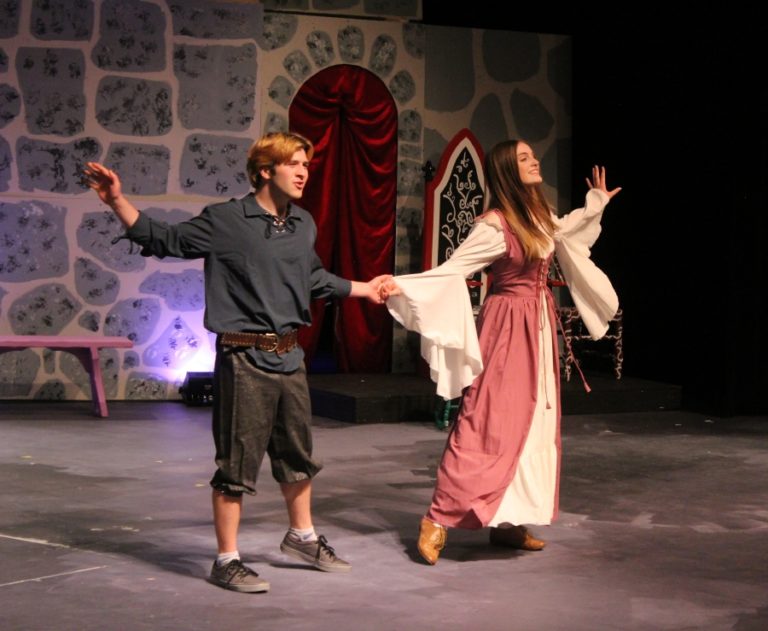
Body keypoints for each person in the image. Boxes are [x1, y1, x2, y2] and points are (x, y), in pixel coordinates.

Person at [84, 132, 390, 592]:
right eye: (294, 163)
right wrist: (117, 200)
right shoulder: (227, 220)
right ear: (266, 171)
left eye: (307, 163)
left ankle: (301, 537)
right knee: (237, 462)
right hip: (244, 357)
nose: (304, 171)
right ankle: (226, 559)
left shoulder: (302, 223)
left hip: (291, 357)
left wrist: (365, 288)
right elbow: (165, 241)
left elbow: (312, 277)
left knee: (299, 455)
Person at [380, 139, 621, 564]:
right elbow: (453, 269)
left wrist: (596, 202)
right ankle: (438, 517)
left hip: (538, 325)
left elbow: (566, 232)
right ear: (509, 170)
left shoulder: (538, 215)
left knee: (533, 424)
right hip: (507, 326)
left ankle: (508, 520)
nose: (534, 161)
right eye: (525, 158)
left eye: (533, 155)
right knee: (487, 420)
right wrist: (401, 286)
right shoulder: (495, 224)